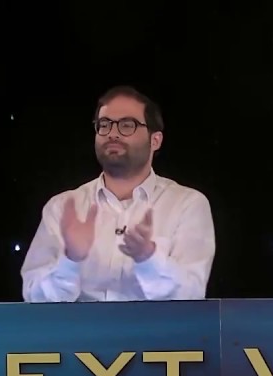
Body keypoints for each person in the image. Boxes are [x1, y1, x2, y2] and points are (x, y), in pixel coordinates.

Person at [21, 85, 215, 302]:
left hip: (153, 325)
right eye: (104, 125)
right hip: (80, 325)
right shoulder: (63, 207)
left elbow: (192, 295)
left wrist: (148, 258)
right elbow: (34, 297)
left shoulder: (187, 204)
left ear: (155, 140)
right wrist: (71, 260)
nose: (112, 134)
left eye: (127, 125)